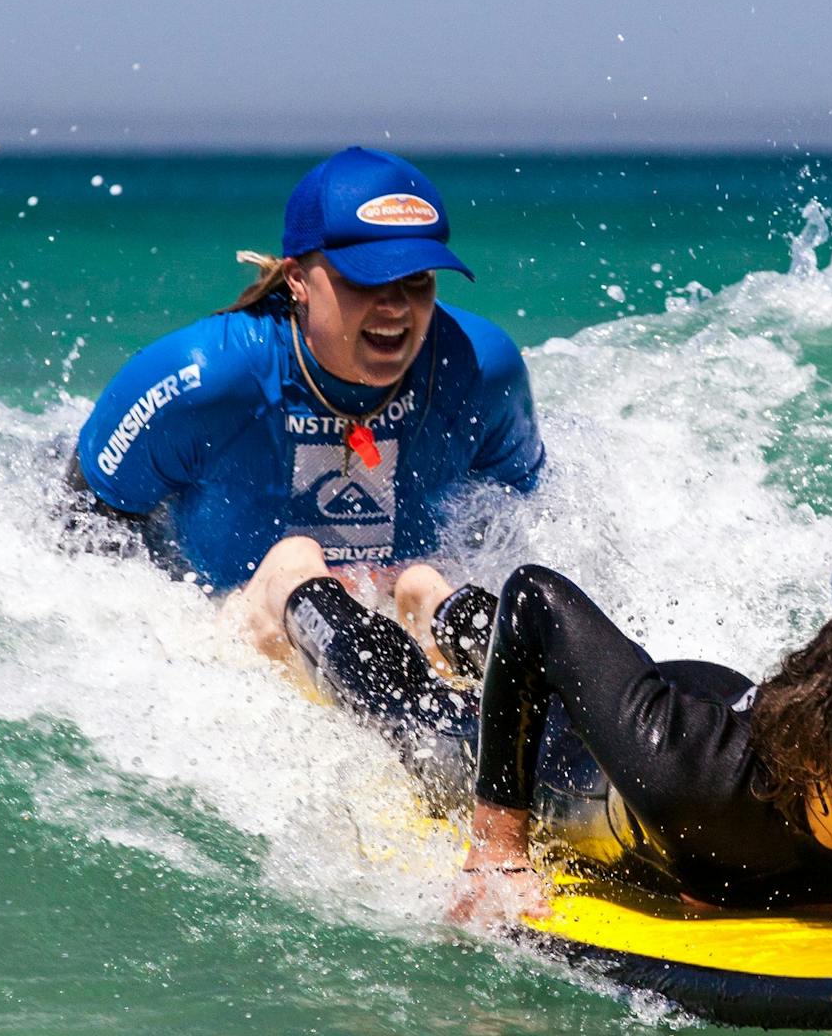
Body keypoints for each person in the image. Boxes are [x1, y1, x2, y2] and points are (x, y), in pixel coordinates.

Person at [68, 146, 542, 659]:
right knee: (294, 565)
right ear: (298, 279)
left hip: (398, 609)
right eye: (366, 278)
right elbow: (83, 529)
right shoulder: (201, 378)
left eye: (416, 279)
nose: (396, 306)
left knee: (426, 584)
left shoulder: (481, 370)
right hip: (233, 627)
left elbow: (524, 517)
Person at [430, 544, 832, 922]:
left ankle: (448, 609)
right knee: (428, 729)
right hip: (600, 761)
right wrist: (497, 848)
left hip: (714, 702)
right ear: (820, 750)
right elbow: (536, 596)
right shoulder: (689, 785)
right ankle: (410, 598)